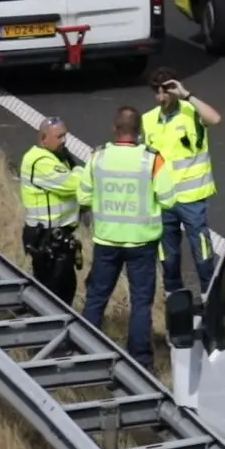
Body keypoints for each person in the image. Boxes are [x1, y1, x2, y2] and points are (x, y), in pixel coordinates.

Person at [76, 107, 177, 368]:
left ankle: (86, 352)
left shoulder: (98, 157)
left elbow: (83, 196)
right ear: (139, 131)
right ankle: (140, 362)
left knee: (96, 298)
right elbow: (168, 199)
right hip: (142, 242)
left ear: (114, 128)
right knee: (141, 303)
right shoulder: (151, 159)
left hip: (107, 241)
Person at [144, 68, 221, 296]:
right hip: (163, 199)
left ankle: (208, 295)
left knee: (202, 252)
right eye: (157, 93)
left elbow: (215, 119)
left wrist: (187, 94)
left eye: (166, 92)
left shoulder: (191, 111)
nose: (161, 98)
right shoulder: (147, 120)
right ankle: (173, 296)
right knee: (168, 255)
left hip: (192, 198)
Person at [19, 116, 83, 305]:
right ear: (43, 138)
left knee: (66, 287)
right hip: (46, 236)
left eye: (65, 136)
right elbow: (72, 184)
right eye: (59, 137)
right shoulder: (40, 161)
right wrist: (79, 171)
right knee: (51, 291)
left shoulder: (57, 156)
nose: (64, 141)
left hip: (59, 235)